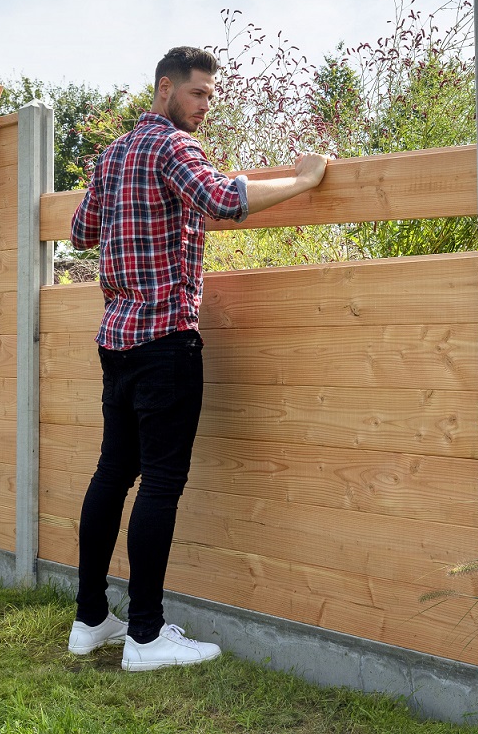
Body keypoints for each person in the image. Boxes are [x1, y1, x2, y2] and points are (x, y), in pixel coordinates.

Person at [65, 46, 329, 671]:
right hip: (165, 344)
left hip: (117, 338)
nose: (207, 107)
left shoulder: (113, 156)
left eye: (210, 95)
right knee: (160, 482)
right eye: (199, 94)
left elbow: (80, 232)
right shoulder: (172, 149)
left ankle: (91, 620)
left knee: (112, 474)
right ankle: (147, 637)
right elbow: (224, 202)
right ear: (165, 89)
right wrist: (305, 179)